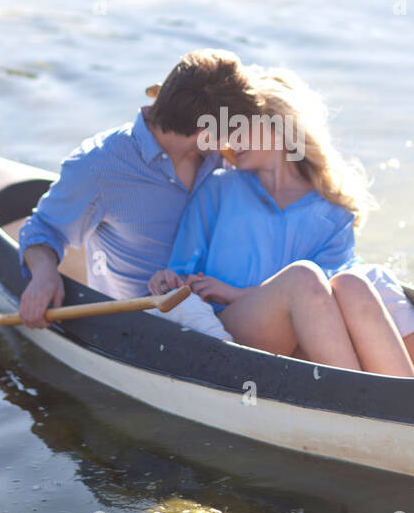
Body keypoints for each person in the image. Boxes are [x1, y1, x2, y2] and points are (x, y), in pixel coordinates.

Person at [148, 68, 414, 378]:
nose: (230, 139)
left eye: (241, 127)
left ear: (279, 126)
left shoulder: (333, 212)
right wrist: (170, 281)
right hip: (233, 328)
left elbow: (332, 298)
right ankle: (360, 400)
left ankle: (404, 401)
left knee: (353, 283)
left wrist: (238, 291)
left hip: (308, 343)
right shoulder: (218, 189)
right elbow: (182, 273)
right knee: (303, 277)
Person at [16, 48, 262, 327]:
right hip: (147, 326)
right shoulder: (98, 166)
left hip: (228, 309)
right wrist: (45, 273)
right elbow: (43, 228)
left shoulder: (221, 157)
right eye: (231, 132)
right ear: (203, 134)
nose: (235, 141)